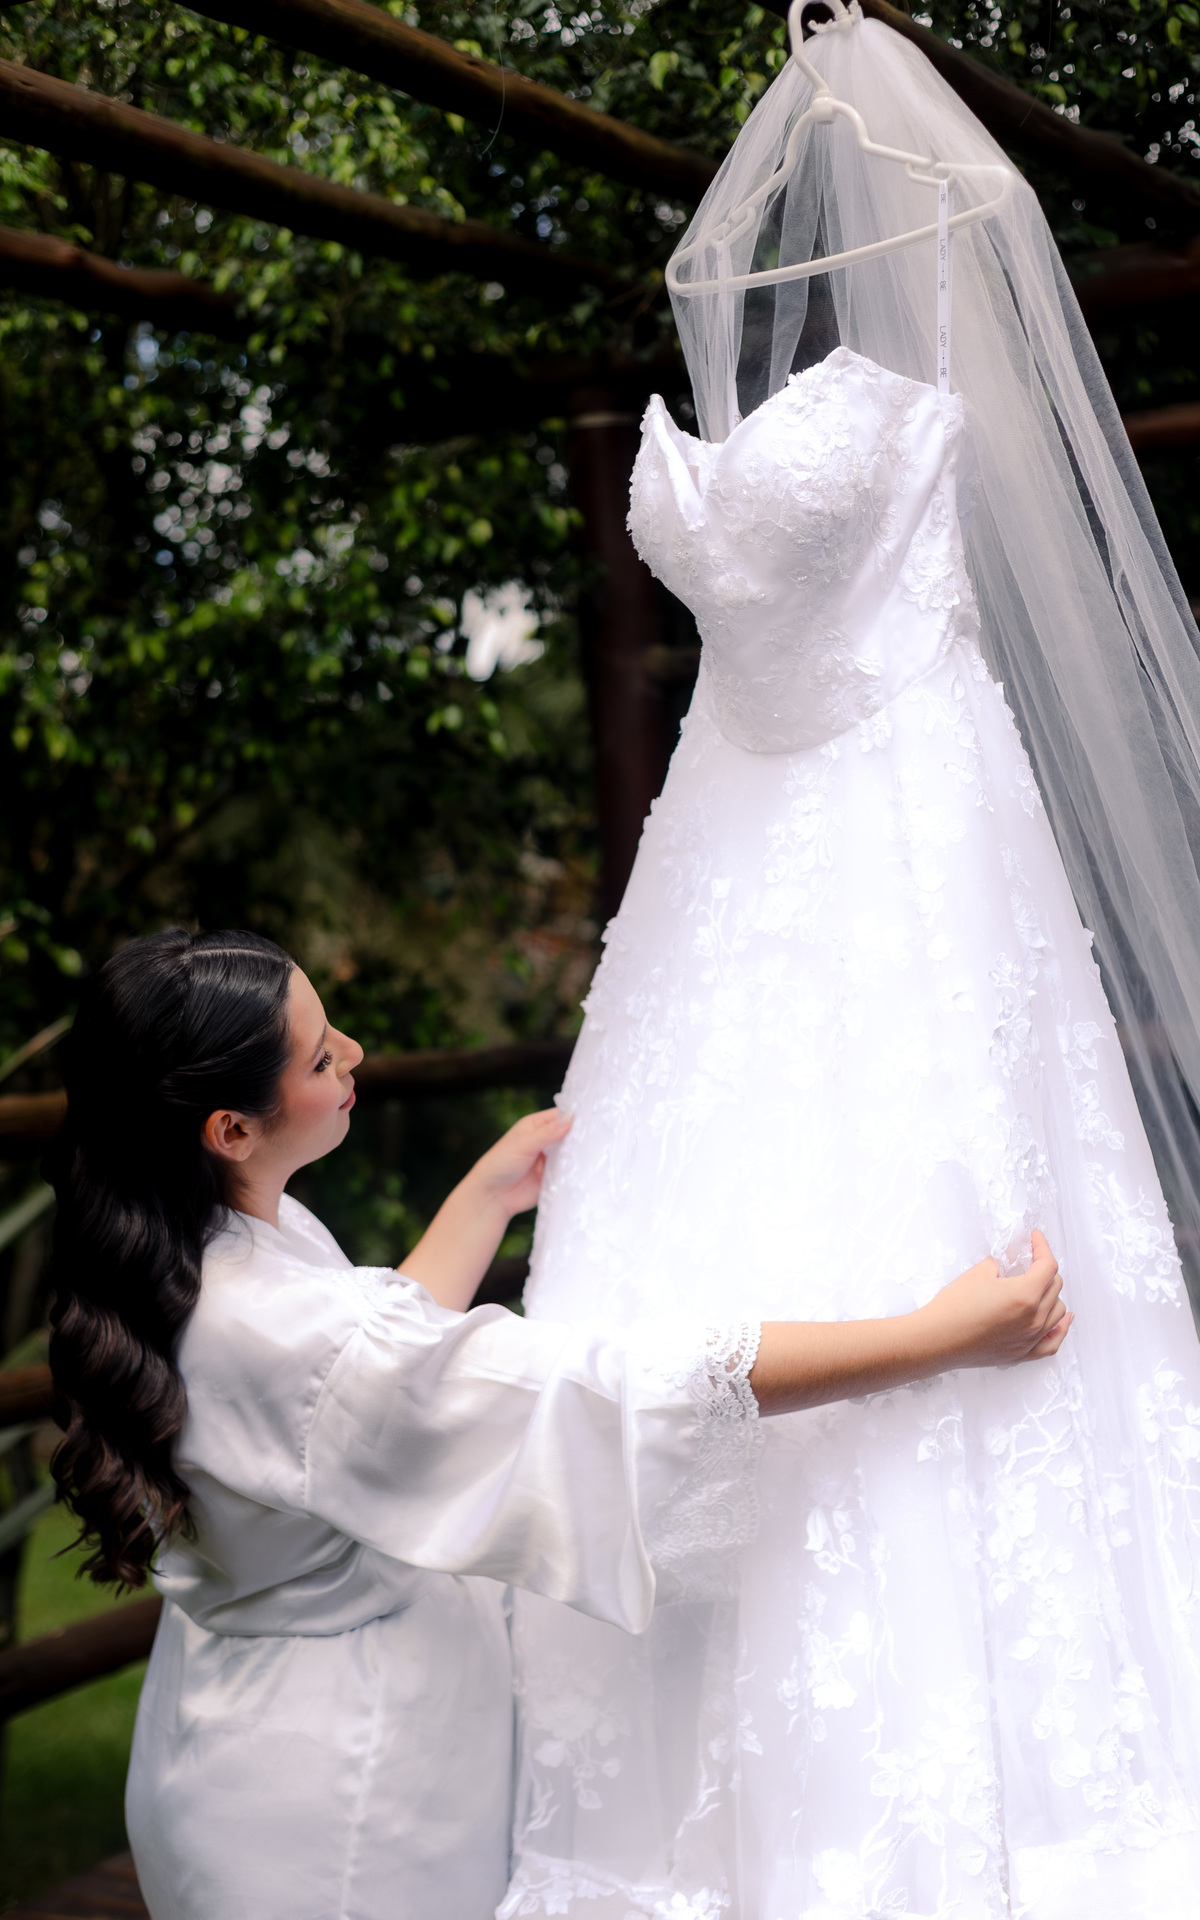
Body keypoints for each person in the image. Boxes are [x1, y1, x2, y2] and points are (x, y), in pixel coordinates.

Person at [504, 9, 1200, 1919]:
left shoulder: (933, 317)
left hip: (905, 835)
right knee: (685, 1271)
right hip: (722, 871)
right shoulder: (739, 309)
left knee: (935, 1215)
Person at [46, 928, 1067, 1920]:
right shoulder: (280, 1325)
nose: (353, 1052)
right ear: (230, 1129)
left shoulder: (177, 1244)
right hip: (339, 1809)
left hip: (220, 1734)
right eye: (320, 1056)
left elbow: (363, 1396)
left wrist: (485, 1198)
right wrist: (935, 1336)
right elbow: (598, 1395)